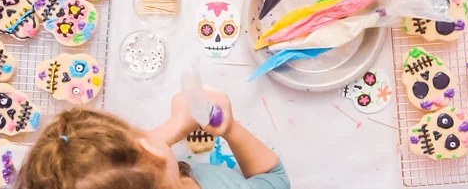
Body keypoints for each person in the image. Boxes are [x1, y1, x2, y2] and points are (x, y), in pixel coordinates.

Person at [15, 91, 290, 189]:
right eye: (137, 133)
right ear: (150, 152)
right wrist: (230, 128)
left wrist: (175, 126)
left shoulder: (138, 173)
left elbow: (111, 169)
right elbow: (275, 179)